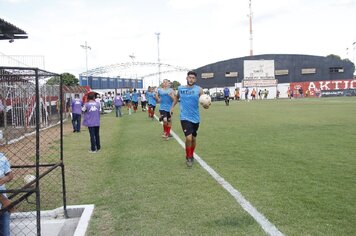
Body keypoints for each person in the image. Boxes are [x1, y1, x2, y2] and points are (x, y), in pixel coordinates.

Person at [173, 71, 205, 167]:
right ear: (186, 78)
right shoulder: (181, 89)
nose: (191, 79)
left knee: (194, 139)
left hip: (195, 118)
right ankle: (189, 156)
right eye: (189, 77)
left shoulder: (199, 90)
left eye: (193, 78)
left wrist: (206, 105)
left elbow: (204, 101)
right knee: (188, 138)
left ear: (195, 79)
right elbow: (176, 98)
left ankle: (191, 154)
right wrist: (172, 107)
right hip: (184, 117)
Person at [0, 152, 14, 236]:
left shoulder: (1, 157)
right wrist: (4, 200)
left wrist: (6, 178)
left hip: (3, 206)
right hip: (3, 202)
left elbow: (10, 175)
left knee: (5, 233)